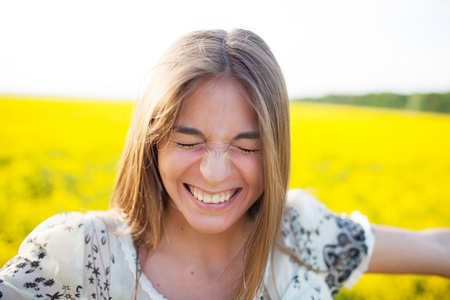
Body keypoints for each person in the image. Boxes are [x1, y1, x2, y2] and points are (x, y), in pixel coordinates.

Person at [1, 29, 449, 300]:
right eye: (188, 141)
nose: (215, 173)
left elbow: (437, 249)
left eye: (246, 146)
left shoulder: (300, 234)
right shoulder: (77, 256)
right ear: (152, 142)